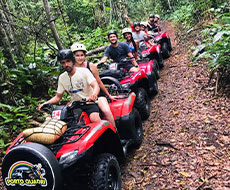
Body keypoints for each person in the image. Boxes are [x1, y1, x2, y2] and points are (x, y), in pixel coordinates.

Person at [38, 49, 101, 123]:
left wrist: (93, 95)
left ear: (73, 61)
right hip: (74, 106)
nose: (66, 65)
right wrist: (45, 104)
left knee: (95, 119)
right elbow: (58, 97)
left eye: (68, 61)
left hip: (88, 103)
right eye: (63, 63)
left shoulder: (84, 71)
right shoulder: (62, 77)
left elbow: (95, 85)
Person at [70, 43, 116, 127]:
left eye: (82, 55)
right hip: (83, 97)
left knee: (106, 111)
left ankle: (115, 131)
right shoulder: (71, 69)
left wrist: (109, 95)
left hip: (97, 93)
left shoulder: (90, 66)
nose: (80, 58)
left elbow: (99, 82)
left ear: (84, 56)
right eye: (77, 55)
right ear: (73, 56)